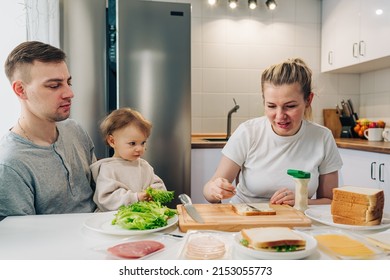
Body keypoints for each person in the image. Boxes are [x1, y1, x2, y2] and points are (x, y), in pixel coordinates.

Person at [203, 58, 343, 206]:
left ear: (308, 100)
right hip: (245, 217)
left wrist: (301, 201)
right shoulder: (248, 132)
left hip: (295, 221)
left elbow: (330, 202)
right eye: (271, 106)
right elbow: (208, 191)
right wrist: (214, 189)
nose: (280, 115)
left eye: (290, 106)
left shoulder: (322, 137)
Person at [0, 41, 97, 216]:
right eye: (54, 85)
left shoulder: (75, 130)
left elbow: (101, 190)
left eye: (69, 82)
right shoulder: (9, 164)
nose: (69, 93)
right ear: (20, 90)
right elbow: (21, 239)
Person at [91, 108, 166, 212]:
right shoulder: (108, 168)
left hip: (141, 218)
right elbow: (105, 199)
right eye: (132, 143)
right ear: (112, 141)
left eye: (143, 143)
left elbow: (159, 186)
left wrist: (154, 192)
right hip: (113, 221)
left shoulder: (144, 166)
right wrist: (135, 198)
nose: (140, 148)